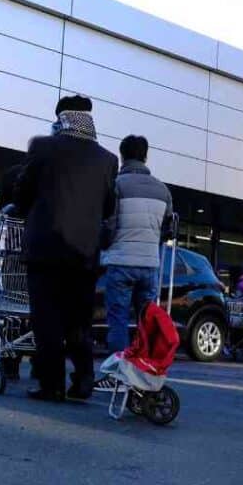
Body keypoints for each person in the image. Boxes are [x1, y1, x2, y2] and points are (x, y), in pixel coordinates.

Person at [13, 94, 118, 402]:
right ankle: (84, 379)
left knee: (47, 320)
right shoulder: (107, 159)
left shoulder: (42, 148)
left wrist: (26, 208)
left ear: (61, 118)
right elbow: (109, 206)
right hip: (84, 253)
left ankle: (51, 383)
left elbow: (22, 191)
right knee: (78, 320)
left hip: (44, 251)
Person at [99, 135, 174, 357]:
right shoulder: (163, 190)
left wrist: (103, 245)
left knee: (118, 320)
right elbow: (167, 230)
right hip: (150, 264)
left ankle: (118, 373)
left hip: (121, 262)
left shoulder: (117, 185)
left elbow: (109, 224)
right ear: (146, 156)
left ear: (122, 156)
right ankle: (143, 371)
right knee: (146, 321)